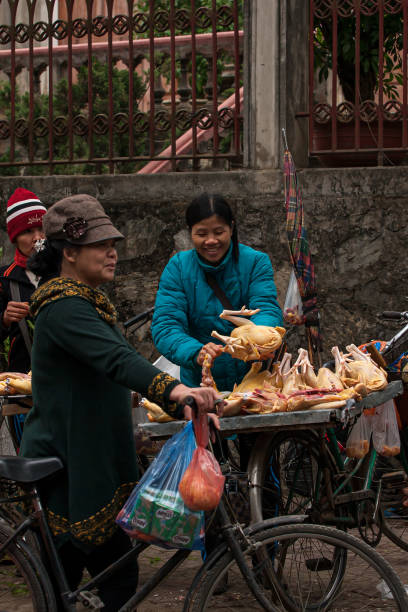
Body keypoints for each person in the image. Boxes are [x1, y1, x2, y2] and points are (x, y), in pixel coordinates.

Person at [20, 194, 221, 612]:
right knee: (100, 580)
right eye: (101, 245)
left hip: (92, 456)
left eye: (114, 243)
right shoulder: (63, 308)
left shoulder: (86, 303)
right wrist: (176, 390)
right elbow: (118, 361)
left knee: (102, 580)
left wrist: (174, 405)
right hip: (69, 464)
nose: (113, 253)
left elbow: (109, 374)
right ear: (69, 253)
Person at [151, 192, 283, 392]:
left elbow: (267, 309)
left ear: (231, 228)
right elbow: (166, 326)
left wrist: (252, 341)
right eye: (202, 234)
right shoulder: (178, 268)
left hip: (256, 385)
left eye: (218, 232)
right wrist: (196, 352)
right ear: (190, 232)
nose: (211, 241)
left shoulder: (256, 262)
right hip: (200, 388)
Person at [0, 187, 47, 373]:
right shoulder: (4, 280)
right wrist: (4, 319)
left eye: (41, 229)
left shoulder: (64, 274)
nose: (37, 238)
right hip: (20, 387)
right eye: (27, 231)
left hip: (64, 386)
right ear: (14, 238)